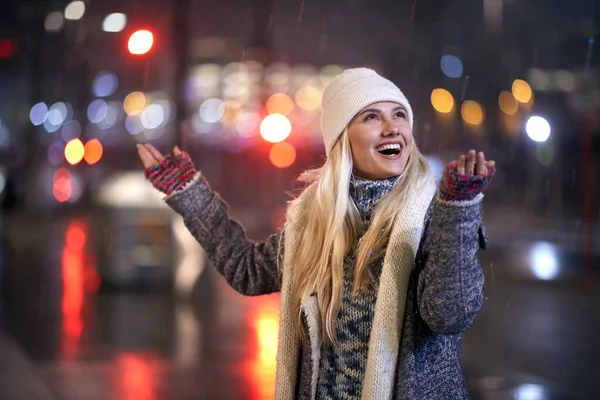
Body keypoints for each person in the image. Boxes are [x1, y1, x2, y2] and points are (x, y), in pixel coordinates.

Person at [137, 68, 495, 400]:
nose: (392, 127)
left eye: (399, 114)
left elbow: (449, 315)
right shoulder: (313, 223)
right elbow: (247, 269)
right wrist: (189, 192)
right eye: (372, 117)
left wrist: (459, 209)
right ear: (342, 138)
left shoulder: (434, 216)